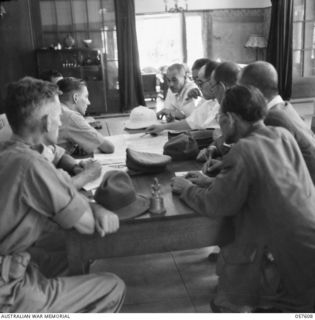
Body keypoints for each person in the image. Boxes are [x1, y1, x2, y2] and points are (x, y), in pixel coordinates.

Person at [171, 85, 315, 312]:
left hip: (286, 255)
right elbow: (270, 181)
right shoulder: (282, 135)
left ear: (229, 118)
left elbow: (216, 205)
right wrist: (213, 181)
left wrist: (187, 188)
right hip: (308, 236)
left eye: (220, 119)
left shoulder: (243, 151)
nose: (220, 124)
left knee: (227, 303)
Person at [0, 77, 125, 312]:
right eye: (59, 115)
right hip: (7, 290)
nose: (60, 121)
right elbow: (87, 226)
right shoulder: (32, 165)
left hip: (14, 259)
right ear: (47, 122)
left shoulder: (8, 153)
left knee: (73, 256)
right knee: (112, 286)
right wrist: (96, 207)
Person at [238, 61, 315, 184]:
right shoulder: (284, 107)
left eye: (241, 89)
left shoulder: (271, 118)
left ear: (254, 89)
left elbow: (266, 172)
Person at [145, 60, 220, 135]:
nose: (197, 86)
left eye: (200, 82)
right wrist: (163, 127)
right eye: (195, 80)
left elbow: (212, 132)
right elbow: (191, 122)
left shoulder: (194, 92)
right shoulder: (210, 102)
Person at [197, 61, 241, 165]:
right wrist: (213, 148)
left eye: (212, 86)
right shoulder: (230, 105)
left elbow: (241, 150)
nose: (212, 91)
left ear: (221, 87)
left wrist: (223, 164)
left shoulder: (242, 109)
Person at [57, 77, 114, 155]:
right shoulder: (71, 116)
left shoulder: (56, 109)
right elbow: (109, 147)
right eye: (86, 97)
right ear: (75, 97)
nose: (89, 102)